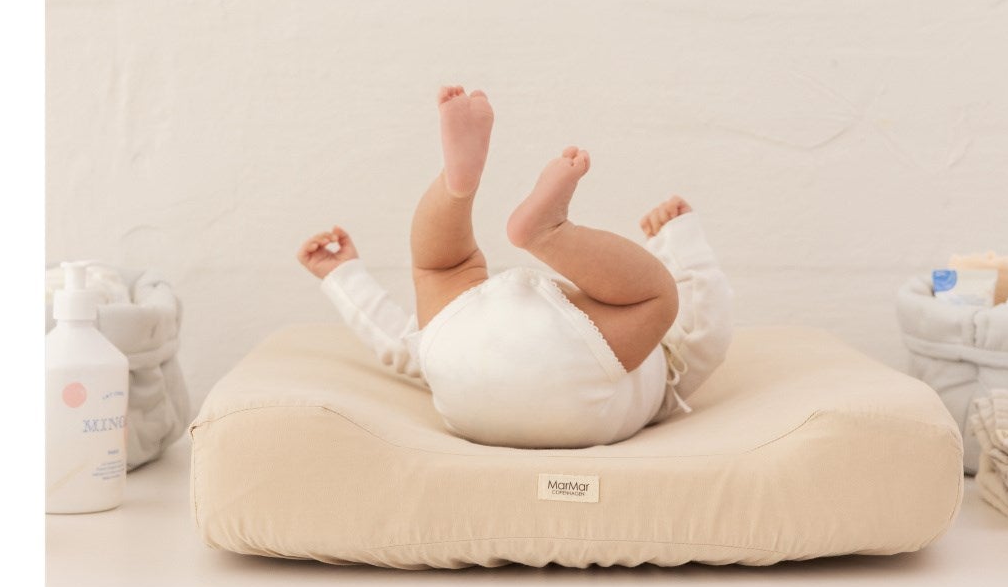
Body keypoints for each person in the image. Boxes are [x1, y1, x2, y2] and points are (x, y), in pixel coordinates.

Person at [297, 86, 734, 448]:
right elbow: (705, 332)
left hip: (463, 381)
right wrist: (679, 237)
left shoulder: (460, 359)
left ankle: (456, 186)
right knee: (657, 297)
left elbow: (399, 342)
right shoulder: (671, 380)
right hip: (576, 398)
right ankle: (546, 233)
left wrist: (342, 276)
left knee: (441, 270)